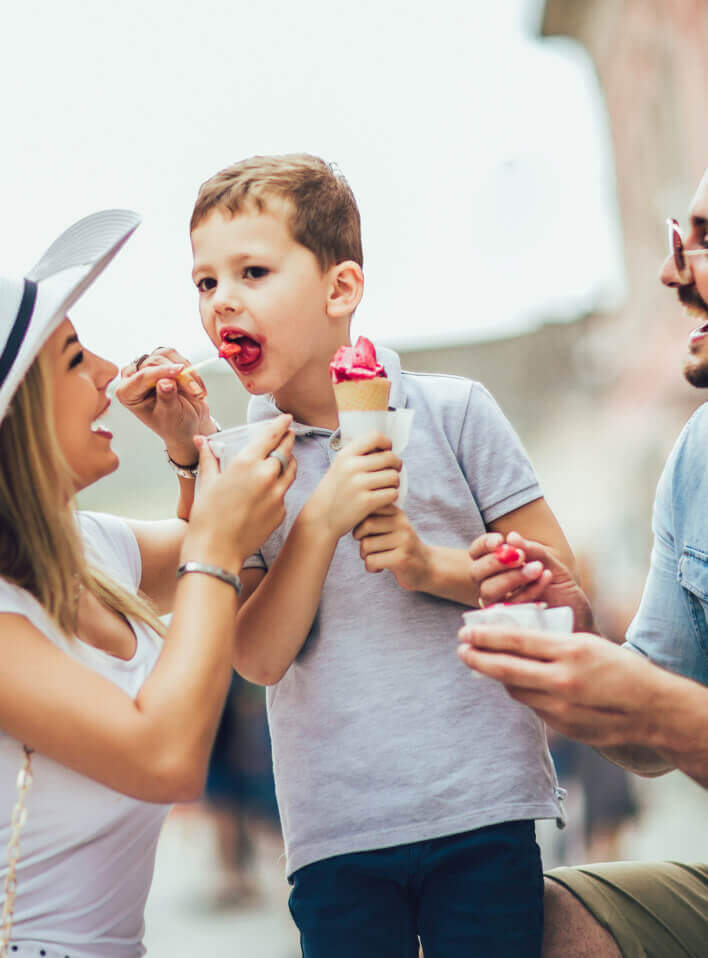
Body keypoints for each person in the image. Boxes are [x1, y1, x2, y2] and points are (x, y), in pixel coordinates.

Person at [153, 152, 580, 957]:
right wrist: (317, 521)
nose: (222, 301)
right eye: (206, 282)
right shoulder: (239, 464)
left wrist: (431, 567)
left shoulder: (458, 413)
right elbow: (258, 657)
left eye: (252, 270)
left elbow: (563, 597)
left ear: (341, 289)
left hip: (482, 807)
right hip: (335, 831)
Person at [0, 209, 296, 957]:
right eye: (73, 359)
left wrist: (191, 445)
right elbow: (165, 758)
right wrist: (218, 544)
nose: (107, 373)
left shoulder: (87, 548)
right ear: (19, 418)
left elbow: (248, 549)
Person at [458, 168, 708, 957]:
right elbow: (647, 746)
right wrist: (586, 644)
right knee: (489, 924)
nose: (672, 271)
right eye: (678, 237)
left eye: (702, 240)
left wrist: (660, 708)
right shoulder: (696, 455)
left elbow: (666, 717)